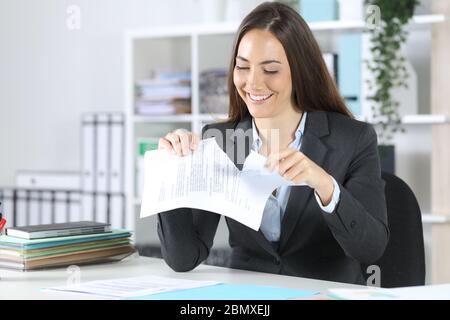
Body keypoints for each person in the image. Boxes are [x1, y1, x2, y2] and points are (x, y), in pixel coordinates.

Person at [156, 2, 389, 285]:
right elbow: (184, 259)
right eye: (243, 67)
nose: (253, 83)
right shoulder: (222, 141)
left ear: (299, 71)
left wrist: (324, 185)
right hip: (248, 299)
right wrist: (174, 171)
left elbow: (370, 249)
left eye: (270, 70)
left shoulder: (353, 139)